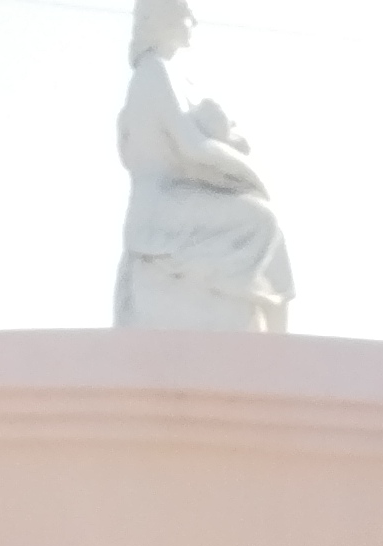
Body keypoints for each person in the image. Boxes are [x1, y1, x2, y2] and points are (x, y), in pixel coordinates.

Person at [112, 0, 292, 335]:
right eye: (185, 13)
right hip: (159, 208)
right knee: (259, 220)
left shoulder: (168, 75)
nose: (192, 20)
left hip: (176, 197)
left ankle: (272, 335)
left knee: (266, 224)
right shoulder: (154, 72)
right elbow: (192, 147)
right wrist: (252, 176)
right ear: (163, 17)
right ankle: (257, 320)